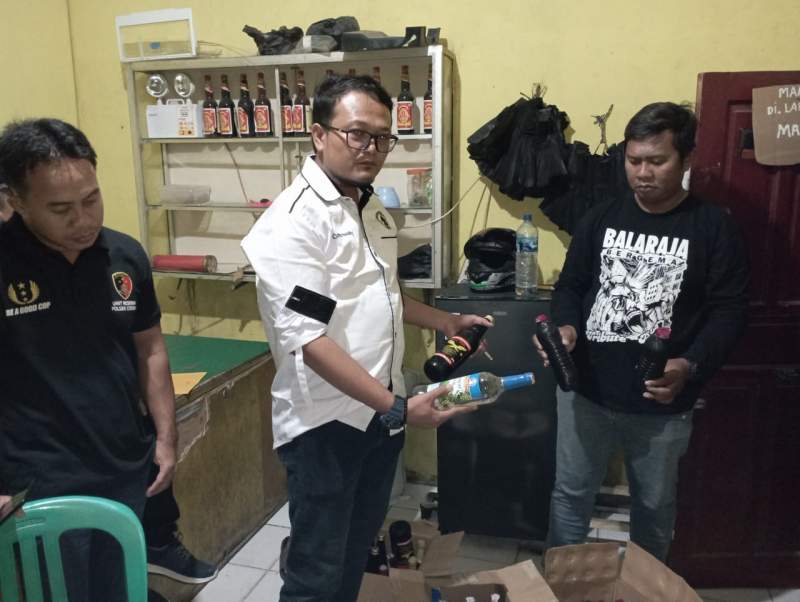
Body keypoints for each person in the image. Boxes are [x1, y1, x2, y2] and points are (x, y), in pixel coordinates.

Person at [241, 74, 491, 602]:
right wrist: (398, 407)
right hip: (325, 425)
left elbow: (384, 295)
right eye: (357, 133)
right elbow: (310, 341)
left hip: (378, 414)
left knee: (355, 553)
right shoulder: (292, 223)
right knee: (315, 573)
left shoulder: (368, 206)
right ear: (318, 134)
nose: (371, 148)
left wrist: (445, 323)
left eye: (382, 137)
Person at [536, 102, 749, 562]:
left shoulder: (713, 227)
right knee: (570, 496)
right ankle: (562, 586)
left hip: (660, 404)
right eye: (634, 161)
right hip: (585, 392)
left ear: (686, 159)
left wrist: (689, 365)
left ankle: (644, 590)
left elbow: (730, 312)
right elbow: (570, 286)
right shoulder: (600, 217)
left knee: (653, 508)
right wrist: (567, 326)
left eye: (657, 161)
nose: (643, 173)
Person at [0, 118, 178, 601]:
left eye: (91, 199)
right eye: (61, 209)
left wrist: (165, 437)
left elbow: (151, 349)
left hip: (124, 466)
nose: (83, 220)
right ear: (16, 201)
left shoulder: (123, 256)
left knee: (121, 590)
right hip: (39, 480)